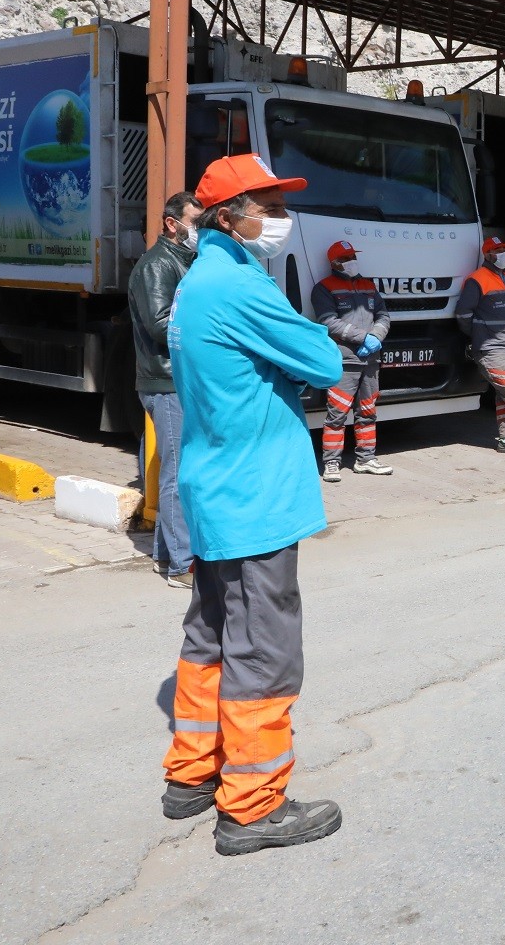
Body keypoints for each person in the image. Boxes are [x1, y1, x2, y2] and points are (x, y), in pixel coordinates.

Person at [161, 153, 344, 856]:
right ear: (228, 216)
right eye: (269, 205)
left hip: (215, 485)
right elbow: (324, 361)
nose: (281, 218)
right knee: (263, 648)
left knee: (210, 634)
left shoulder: (198, 279)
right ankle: (253, 805)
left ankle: (192, 773)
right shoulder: (238, 285)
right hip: (254, 493)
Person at [128, 191, 201, 588]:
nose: (199, 230)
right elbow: (159, 325)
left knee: (178, 469)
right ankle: (182, 566)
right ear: (172, 224)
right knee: (178, 473)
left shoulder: (183, 260)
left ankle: (165, 554)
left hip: (178, 379)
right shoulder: (157, 265)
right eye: (194, 222)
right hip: (166, 381)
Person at [312, 241, 392, 481]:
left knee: (367, 412)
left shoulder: (368, 285)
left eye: (353, 257)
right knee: (337, 413)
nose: (352, 261)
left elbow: (383, 315)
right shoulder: (324, 288)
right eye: (346, 258)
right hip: (345, 361)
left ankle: (366, 460)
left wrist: (376, 337)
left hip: (370, 360)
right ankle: (331, 463)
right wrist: (363, 338)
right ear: (335, 263)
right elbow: (329, 322)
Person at [457, 236, 505, 454]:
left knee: (504, 395)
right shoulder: (477, 280)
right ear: (488, 254)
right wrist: (478, 335)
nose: (503, 254)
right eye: (498, 250)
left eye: (504, 249)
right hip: (492, 348)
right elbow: (463, 314)